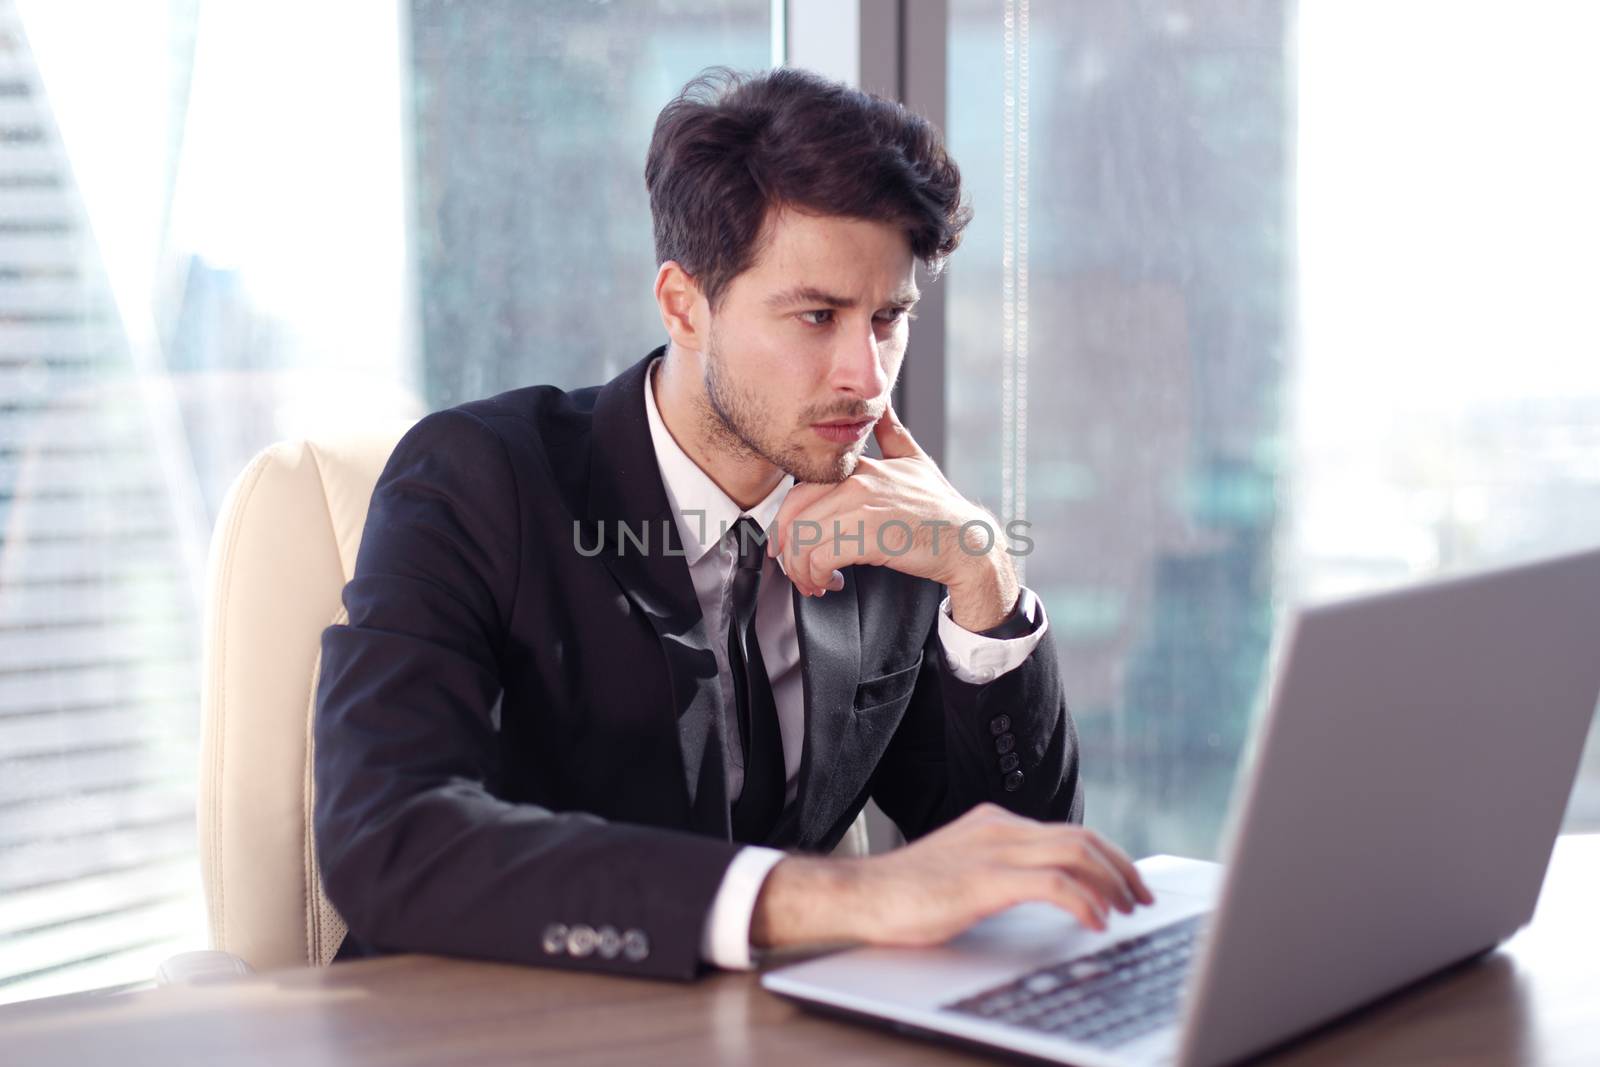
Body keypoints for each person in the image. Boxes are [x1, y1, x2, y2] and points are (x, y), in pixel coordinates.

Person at [313, 64, 1153, 982]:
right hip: (487, 1027)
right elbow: (388, 837)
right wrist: (818, 898)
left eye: (887, 317)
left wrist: (984, 585)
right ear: (684, 305)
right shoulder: (477, 480)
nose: (867, 378)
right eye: (817, 315)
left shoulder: (885, 518)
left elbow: (1020, 875)